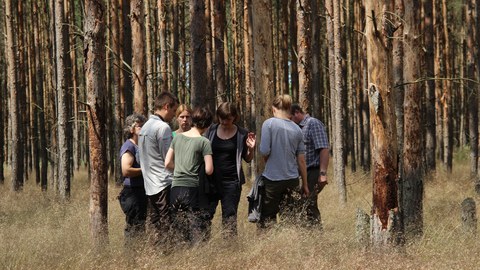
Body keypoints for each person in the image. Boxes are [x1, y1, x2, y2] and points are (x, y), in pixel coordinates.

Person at [205, 102, 256, 237]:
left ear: (234, 117)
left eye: (227, 118)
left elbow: (248, 159)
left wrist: (251, 149)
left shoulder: (242, 133)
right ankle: (203, 246)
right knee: (206, 215)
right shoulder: (210, 131)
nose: (224, 121)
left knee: (229, 218)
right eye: (221, 118)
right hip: (211, 181)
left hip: (232, 183)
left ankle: (230, 249)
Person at [258, 94, 309, 229]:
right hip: (292, 179)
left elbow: (264, 150)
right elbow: (302, 160)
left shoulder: (268, 124)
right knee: (290, 219)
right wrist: (305, 184)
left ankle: (268, 247)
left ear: (274, 109)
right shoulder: (297, 129)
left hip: (272, 179)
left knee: (267, 219)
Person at [165, 106, 214, 244]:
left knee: (178, 228)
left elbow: (167, 162)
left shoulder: (177, 138)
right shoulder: (204, 141)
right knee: (194, 228)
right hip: (192, 189)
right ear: (208, 125)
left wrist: (180, 167)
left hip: (175, 189)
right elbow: (209, 169)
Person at [138, 92, 179, 247]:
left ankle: (156, 251)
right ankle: (167, 252)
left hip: (150, 184)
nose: (174, 115)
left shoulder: (145, 126)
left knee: (155, 221)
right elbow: (168, 160)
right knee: (167, 221)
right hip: (164, 183)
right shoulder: (163, 128)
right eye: (174, 111)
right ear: (166, 107)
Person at [290, 104, 330, 227]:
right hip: (299, 173)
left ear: (297, 113)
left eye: (290, 117)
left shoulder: (313, 123)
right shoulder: (295, 127)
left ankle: (316, 234)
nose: (289, 121)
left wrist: (322, 174)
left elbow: (324, 149)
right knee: (298, 206)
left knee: (309, 204)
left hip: (312, 171)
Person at [118, 113, 147, 246]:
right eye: (140, 126)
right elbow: (126, 170)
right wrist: (145, 171)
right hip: (133, 193)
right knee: (134, 227)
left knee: (140, 227)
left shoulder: (140, 146)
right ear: (131, 129)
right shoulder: (128, 146)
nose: (143, 129)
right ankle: (131, 257)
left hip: (141, 192)